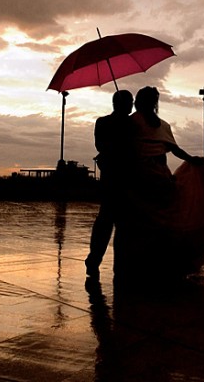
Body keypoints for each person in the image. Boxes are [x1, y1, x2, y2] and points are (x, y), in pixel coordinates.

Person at [114, 86, 204, 283]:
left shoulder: (131, 123)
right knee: (164, 222)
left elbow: (124, 151)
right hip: (161, 177)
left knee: (140, 223)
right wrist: (193, 160)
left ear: (137, 102)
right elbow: (176, 150)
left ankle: (140, 265)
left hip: (139, 179)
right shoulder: (162, 125)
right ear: (155, 103)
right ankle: (163, 263)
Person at [85, 90, 135, 278]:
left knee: (112, 221)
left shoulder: (122, 123)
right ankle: (97, 259)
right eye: (130, 102)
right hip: (116, 178)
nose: (132, 105)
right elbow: (101, 145)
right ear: (120, 103)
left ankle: (102, 260)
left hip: (119, 178)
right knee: (110, 221)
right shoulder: (108, 122)